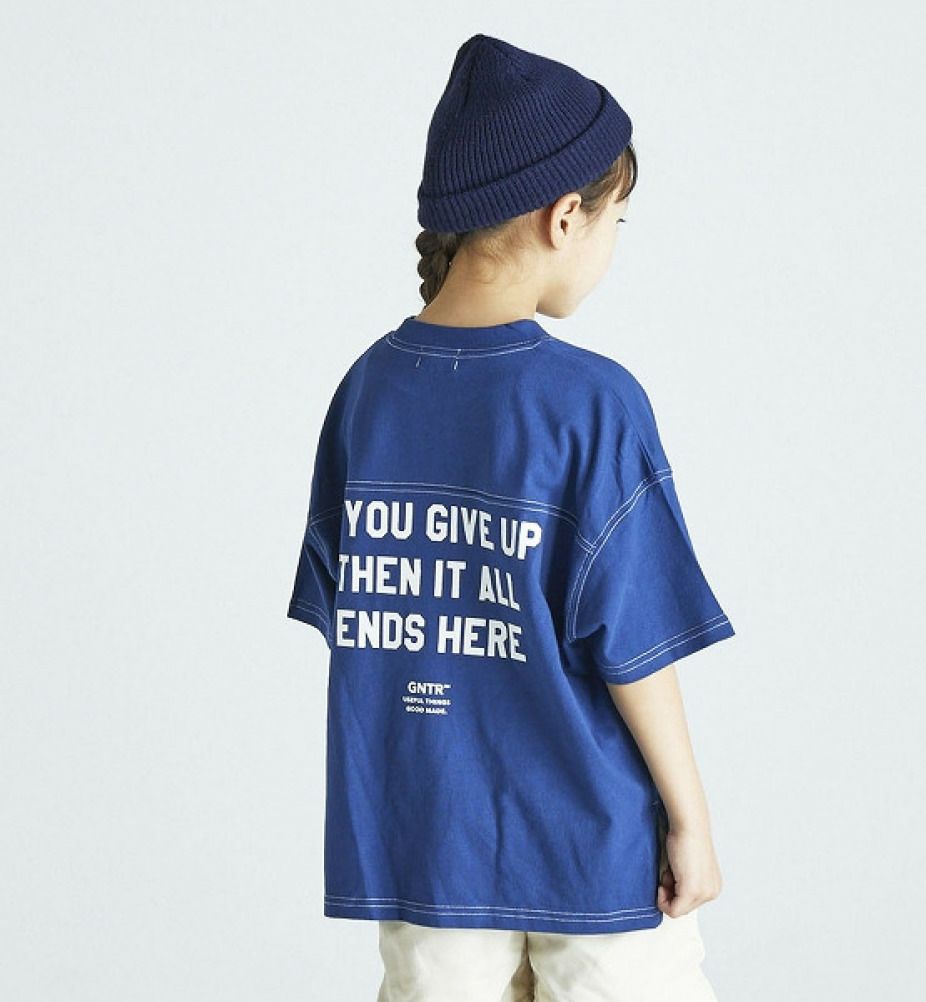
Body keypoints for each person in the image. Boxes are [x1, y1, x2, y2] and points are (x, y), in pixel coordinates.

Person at [286, 31, 736, 1002]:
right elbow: (632, 645)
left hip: (425, 838)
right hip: (594, 843)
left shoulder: (367, 395)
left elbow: (362, 624)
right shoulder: (593, 403)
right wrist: (690, 819)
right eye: (618, 219)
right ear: (565, 216)